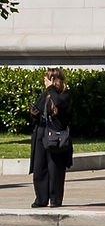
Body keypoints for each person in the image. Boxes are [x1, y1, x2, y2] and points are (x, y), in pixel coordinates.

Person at [29, 67, 72, 208]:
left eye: (46, 79)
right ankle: (41, 198)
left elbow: (59, 103)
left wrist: (52, 88)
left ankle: (55, 199)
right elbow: (39, 113)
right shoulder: (45, 94)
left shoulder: (64, 94)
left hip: (56, 136)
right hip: (41, 134)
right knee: (39, 168)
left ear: (53, 80)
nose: (44, 82)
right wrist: (34, 114)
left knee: (55, 168)